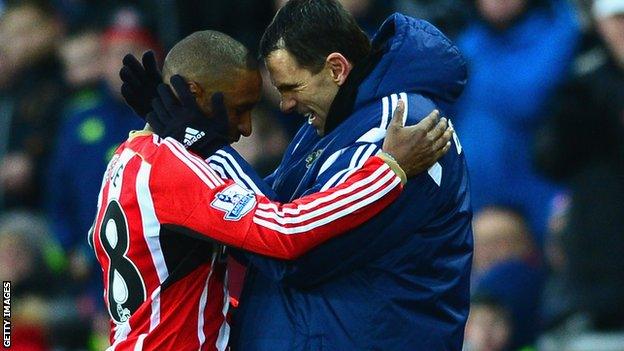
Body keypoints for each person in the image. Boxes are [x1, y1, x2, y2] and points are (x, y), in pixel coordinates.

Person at [122, 1, 472, 349]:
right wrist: (191, 139)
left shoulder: (395, 127)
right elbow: (268, 210)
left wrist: (205, 146)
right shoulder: (326, 124)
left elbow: (293, 250)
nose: (286, 105)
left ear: (336, 68)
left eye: (292, 88)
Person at [450, 0, 580, 244]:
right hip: (470, 206)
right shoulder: (468, 39)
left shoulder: (559, 30)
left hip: (538, 205)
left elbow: (525, 97)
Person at [535, 0, 624, 331]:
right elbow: (547, 158)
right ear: (600, 25)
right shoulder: (581, 85)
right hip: (601, 282)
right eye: (617, 20)